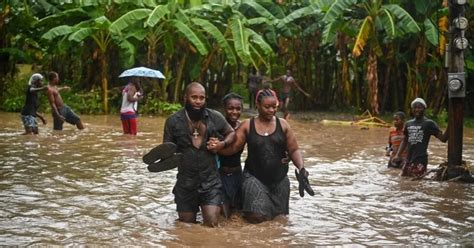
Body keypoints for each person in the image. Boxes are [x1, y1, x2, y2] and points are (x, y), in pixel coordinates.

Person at [209, 89, 312, 224]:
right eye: (267, 107)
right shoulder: (247, 125)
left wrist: (301, 168)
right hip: (254, 177)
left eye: (274, 107)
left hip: (279, 179)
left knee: (280, 219)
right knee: (257, 219)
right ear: (257, 105)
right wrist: (216, 148)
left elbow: (294, 150)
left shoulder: (283, 124)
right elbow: (233, 148)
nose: (271, 110)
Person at [162, 82, 235, 227]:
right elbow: (166, 148)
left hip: (210, 182)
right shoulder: (173, 121)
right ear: (185, 98)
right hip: (185, 184)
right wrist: (166, 158)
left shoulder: (215, 117)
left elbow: (231, 133)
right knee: (186, 226)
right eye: (194, 97)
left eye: (202, 98)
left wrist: (222, 144)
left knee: (212, 223)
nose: (198, 101)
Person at [393, 98, 448, 177]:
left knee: (416, 182)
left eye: (419, 107)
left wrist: (451, 125)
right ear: (412, 109)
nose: (417, 109)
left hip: (420, 160)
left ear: (424, 109)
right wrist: (397, 155)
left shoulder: (429, 123)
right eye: (415, 107)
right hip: (408, 160)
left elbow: (443, 139)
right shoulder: (408, 123)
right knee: (402, 182)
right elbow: (405, 140)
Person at [218, 93, 244, 217]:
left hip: (238, 174)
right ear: (224, 109)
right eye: (230, 108)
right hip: (219, 175)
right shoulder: (217, 127)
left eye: (238, 109)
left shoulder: (244, 128)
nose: (234, 112)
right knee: (224, 214)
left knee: (237, 213)